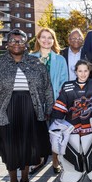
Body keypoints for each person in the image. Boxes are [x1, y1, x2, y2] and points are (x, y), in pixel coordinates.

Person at [0, 29, 54, 182]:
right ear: (7, 43)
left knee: (27, 145)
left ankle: (25, 179)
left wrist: (48, 109)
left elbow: (47, 88)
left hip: (30, 109)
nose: (16, 44)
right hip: (3, 110)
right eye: (13, 40)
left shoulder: (36, 63)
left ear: (26, 44)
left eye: (20, 41)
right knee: (9, 147)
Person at [51, 60, 92, 182]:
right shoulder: (67, 86)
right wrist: (57, 123)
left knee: (91, 149)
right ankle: (72, 172)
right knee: (72, 150)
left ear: (89, 71)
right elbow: (60, 105)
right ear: (76, 72)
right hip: (72, 126)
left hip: (91, 125)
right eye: (80, 71)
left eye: (85, 71)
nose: (83, 74)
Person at [30, 27, 69, 174]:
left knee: (55, 132)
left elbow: (65, 82)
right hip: (35, 102)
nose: (46, 40)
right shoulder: (30, 58)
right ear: (38, 40)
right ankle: (39, 159)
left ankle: (55, 161)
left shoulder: (59, 59)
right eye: (43, 37)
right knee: (38, 132)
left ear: (53, 41)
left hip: (55, 101)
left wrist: (58, 100)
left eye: (49, 37)